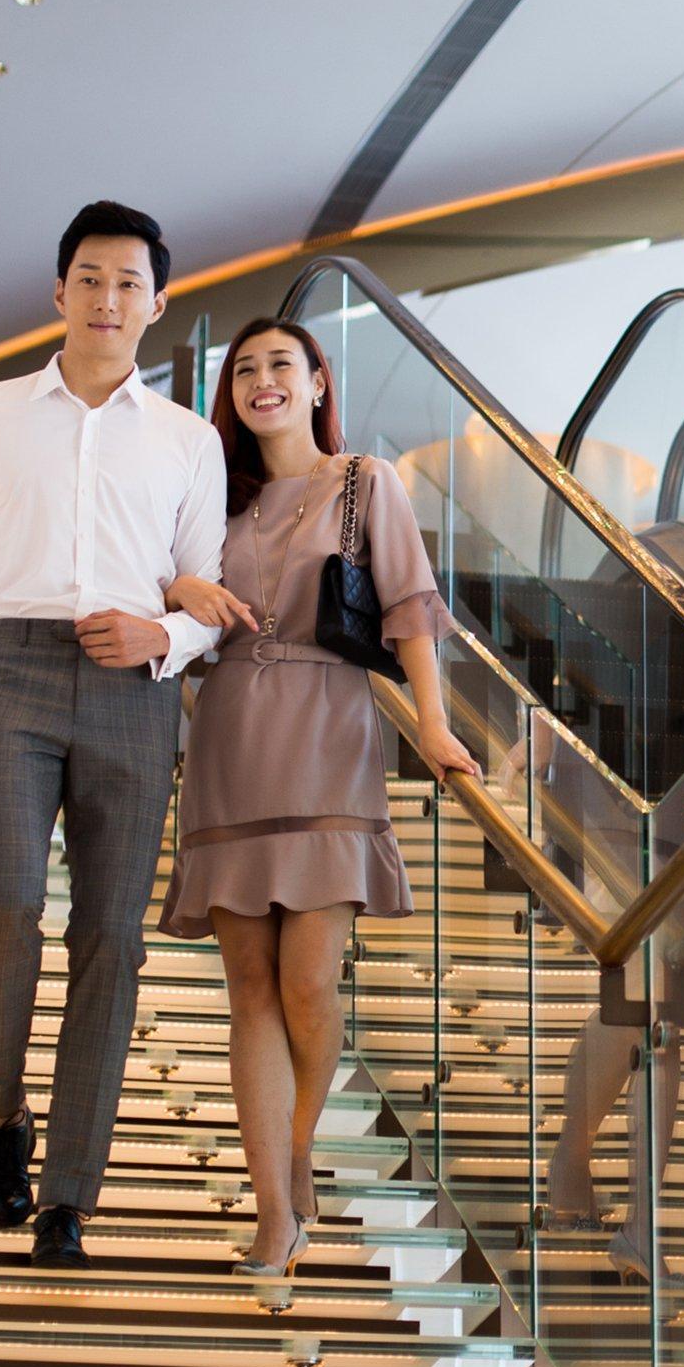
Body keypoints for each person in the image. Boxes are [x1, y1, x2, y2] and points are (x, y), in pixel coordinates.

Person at [0, 202, 228, 1269]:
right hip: (14, 674)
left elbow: (206, 601)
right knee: (9, 907)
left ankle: (71, 1192)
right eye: (90, 278)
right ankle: (2, 1123)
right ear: (58, 290)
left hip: (133, 688)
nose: (108, 299)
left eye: (130, 283)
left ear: (157, 306)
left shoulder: (188, 439)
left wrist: (159, 634)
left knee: (111, 941)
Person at [161, 317, 475, 1273]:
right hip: (227, 740)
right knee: (248, 986)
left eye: (280, 367)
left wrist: (431, 720)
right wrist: (180, 586)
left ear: (317, 382)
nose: (263, 382)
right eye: (245, 370)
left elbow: (411, 610)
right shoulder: (210, 499)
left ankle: (299, 1154)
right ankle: (272, 1206)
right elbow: (162, 601)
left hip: (330, 735)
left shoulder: (364, 482)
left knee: (308, 982)